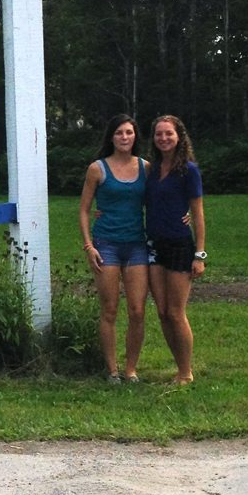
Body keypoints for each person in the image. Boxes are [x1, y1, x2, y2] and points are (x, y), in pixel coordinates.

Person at [78, 114, 150, 384]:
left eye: (129, 133)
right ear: (111, 137)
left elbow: (161, 198)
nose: (124, 137)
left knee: (137, 310)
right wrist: (89, 246)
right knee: (109, 309)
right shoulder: (98, 169)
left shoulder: (146, 167)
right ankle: (112, 370)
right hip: (106, 246)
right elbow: (84, 210)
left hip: (136, 246)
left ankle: (131, 369)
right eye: (119, 133)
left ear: (135, 137)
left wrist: (183, 214)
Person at [145, 115, 207, 385]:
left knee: (175, 311)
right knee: (161, 311)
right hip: (154, 244)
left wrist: (200, 254)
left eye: (168, 134)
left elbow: (198, 213)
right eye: (159, 134)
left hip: (181, 245)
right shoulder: (151, 169)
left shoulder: (189, 170)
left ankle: (186, 372)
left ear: (179, 137)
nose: (163, 138)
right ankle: (178, 366)